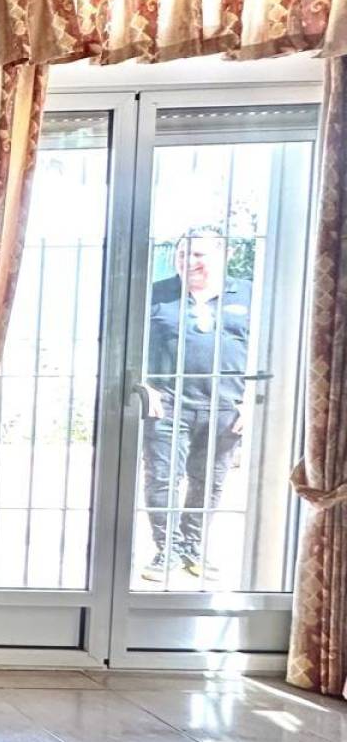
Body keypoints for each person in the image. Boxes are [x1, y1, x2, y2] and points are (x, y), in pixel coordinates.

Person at [140, 225, 252, 583]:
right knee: (162, 479)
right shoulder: (156, 295)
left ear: (224, 254)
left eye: (199, 254)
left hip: (225, 408)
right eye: (183, 254)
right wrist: (144, 385)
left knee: (209, 481)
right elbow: (129, 344)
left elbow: (268, 348)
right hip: (168, 405)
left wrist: (250, 400)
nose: (188, 261)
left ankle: (192, 547)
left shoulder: (249, 295)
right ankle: (167, 550)